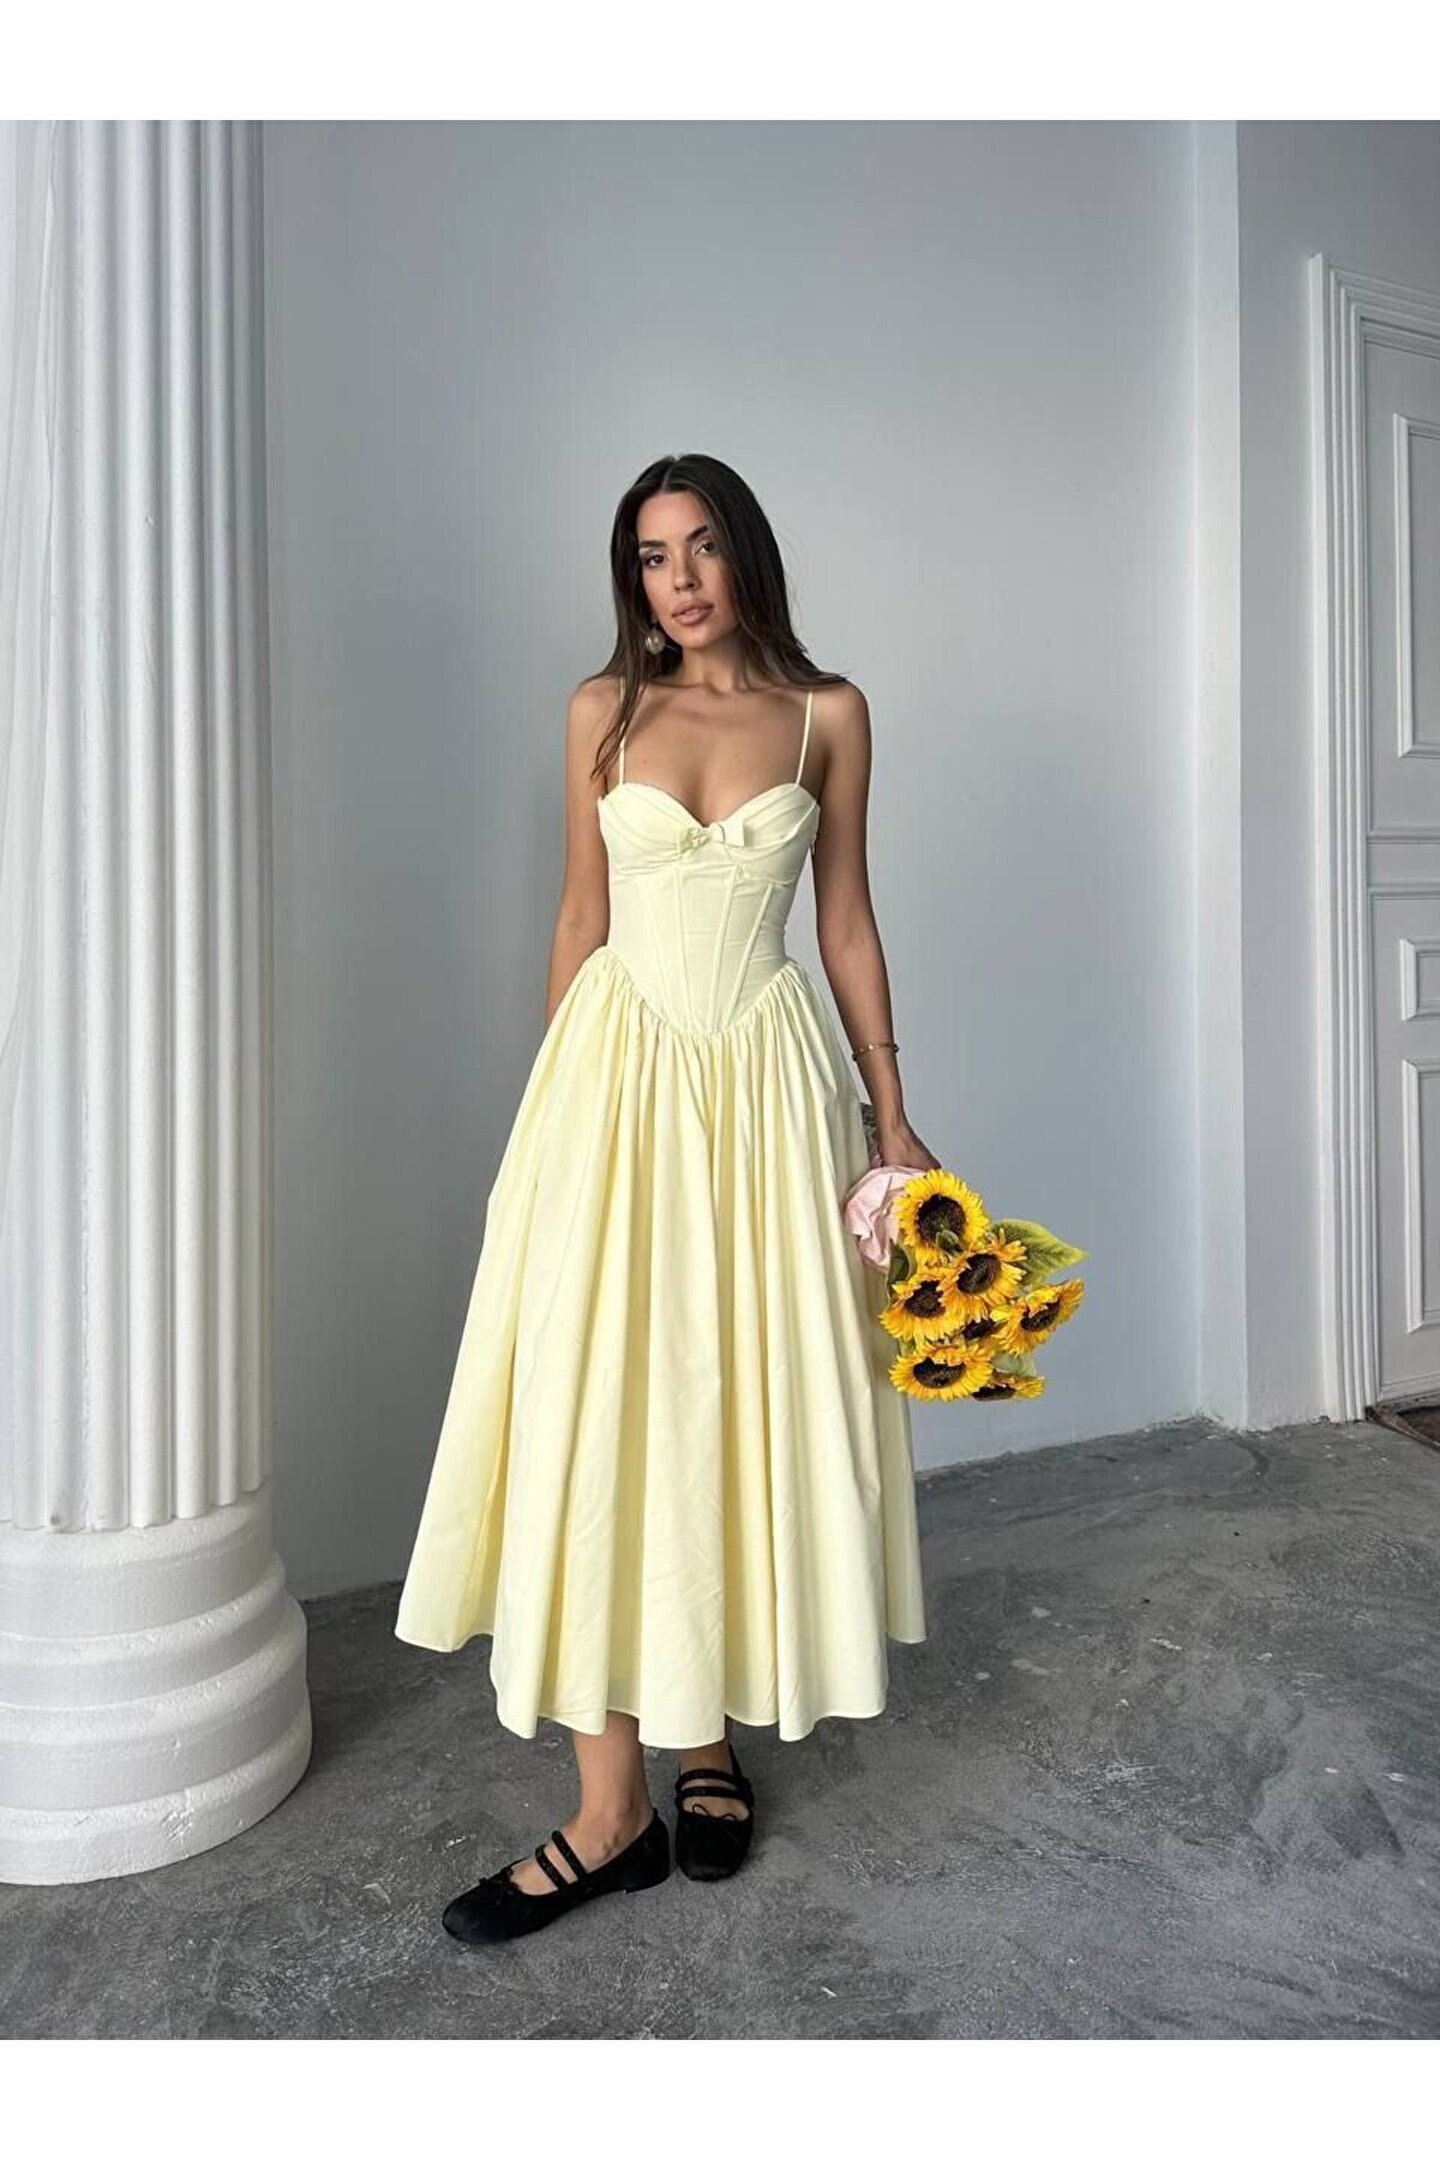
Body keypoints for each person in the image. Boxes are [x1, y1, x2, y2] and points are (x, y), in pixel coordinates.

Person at [394, 452, 940, 1944]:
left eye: (701, 547)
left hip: (768, 1090)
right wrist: (549, 1123)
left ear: (745, 555)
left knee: (732, 1393)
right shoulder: (603, 711)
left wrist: (893, 1116)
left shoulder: (829, 715)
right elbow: (581, 913)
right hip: (619, 1084)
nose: (679, 579)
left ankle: (709, 1741)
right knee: (603, 1400)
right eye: (651, 555)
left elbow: (846, 920)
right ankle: (608, 1810)